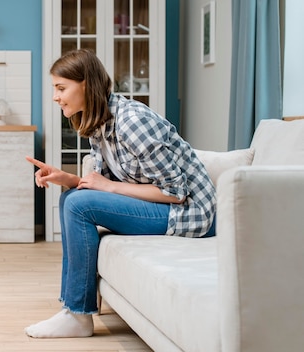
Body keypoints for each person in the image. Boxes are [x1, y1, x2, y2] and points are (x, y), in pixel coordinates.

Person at [24, 49, 216, 339]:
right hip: (167, 206)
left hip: (189, 214)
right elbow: (107, 182)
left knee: (77, 205)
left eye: (61, 88)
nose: (55, 96)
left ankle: (77, 315)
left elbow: (175, 193)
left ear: (86, 85)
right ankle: (72, 310)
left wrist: (107, 186)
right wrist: (71, 179)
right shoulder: (100, 124)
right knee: (70, 198)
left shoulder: (131, 121)